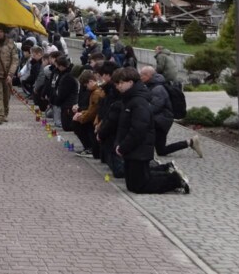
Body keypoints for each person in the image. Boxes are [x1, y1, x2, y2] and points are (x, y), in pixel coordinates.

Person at [113, 66, 189, 194]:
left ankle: (175, 180)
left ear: (130, 83)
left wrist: (123, 146)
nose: (118, 86)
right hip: (134, 148)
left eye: (120, 83)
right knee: (134, 184)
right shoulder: (130, 99)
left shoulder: (138, 101)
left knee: (140, 185)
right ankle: (169, 172)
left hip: (139, 148)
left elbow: (138, 129)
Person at [139, 65, 203, 159]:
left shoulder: (158, 88)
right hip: (162, 119)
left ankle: (140, 156)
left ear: (149, 75)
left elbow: (156, 106)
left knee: (142, 131)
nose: (140, 77)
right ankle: (190, 142)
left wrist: (141, 111)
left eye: (142, 75)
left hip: (161, 120)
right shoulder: (153, 85)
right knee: (161, 150)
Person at [71, 69, 104, 156]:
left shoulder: (96, 93)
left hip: (95, 119)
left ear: (90, 81)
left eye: (86, 85)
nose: (86, 87)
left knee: (79, 124)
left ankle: (90, 148)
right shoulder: (95, 91)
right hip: (94, 117)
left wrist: (81, 116)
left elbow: (92, 111)